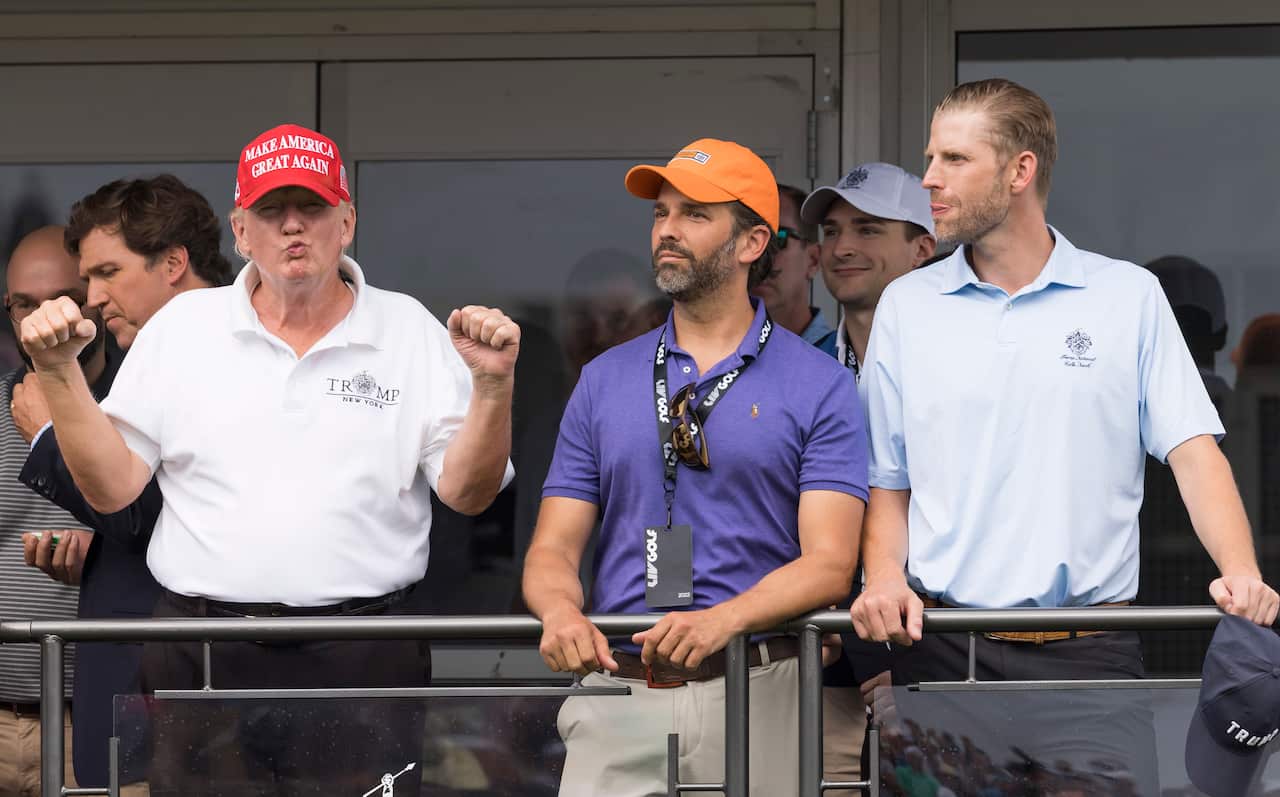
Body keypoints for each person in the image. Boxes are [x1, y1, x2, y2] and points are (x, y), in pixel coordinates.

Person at [18, 123, 518, 795]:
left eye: (310, 208)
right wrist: (58, 373)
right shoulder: (184, 329)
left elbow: (469, 492)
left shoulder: (409, 330)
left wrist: (492, 387)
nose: (292, 227)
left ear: (346, 220)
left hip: (363, 650)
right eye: (270, 211)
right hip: (201, 649)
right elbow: (111, 488)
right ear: (240, 229)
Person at [851, 78, 1278, 789]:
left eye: (954, 159)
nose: (929, 178)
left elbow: (1194, 453)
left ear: (1021, 171)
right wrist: (885, 579)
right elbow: (885, 480)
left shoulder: (1127, 296)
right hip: (945, 654)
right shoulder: (907, 305)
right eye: (932, 157)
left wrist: (1242, 572)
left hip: (1094, 660)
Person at [523, 138, 867, 796]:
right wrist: (562, 614)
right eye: (661, 214)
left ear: (751, 242)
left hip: (761, 687)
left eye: (695, 214)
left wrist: (721, 619)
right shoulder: (603, 379)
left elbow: (831, 562)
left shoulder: (819, 383)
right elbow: (550, 550)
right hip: (617, 693)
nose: (668, 230)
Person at [14, 175, 231, 788]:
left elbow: (145, 513)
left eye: (107, 272)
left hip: (177, 700)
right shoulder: (155, 353)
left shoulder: (221, 352)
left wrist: (46, 436)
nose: (94, 297)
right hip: (151, 687)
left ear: (174, 262)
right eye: (88, 279)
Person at [801, 162, 936, 782]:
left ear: (922, 250)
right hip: (818, 648)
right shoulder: (798, 369)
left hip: (930, 648)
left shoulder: (965, 368)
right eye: (831, 230)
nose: (843, 246)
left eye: (868, 228)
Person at [0, 226, 106, 795]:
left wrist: (107, 551)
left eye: (63, 298)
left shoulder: (141, 406)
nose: (45, 318)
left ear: (95, 298)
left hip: (94, 722)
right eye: (25, 304)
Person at [749, 183, 833, 343]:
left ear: (813, 260)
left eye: (778, 238)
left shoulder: (839, 360)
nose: (758, 254)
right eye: (750, 238)